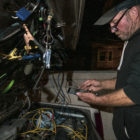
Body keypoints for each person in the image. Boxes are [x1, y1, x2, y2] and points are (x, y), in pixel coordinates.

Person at [76, 0, 140, 140]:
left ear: (134, 12)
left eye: (115, 23)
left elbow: (134, 93)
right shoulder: (131, 40)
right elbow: (130, 79)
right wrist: (102, 84)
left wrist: (98, 100)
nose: (112, 30)